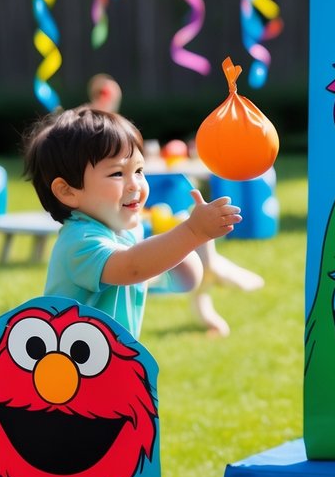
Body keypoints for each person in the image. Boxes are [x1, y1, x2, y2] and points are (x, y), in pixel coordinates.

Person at [23, 107, 241, 339]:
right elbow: (132, 267)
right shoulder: (79, 242)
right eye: (117, 173)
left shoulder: (125, 234)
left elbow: (185, 282)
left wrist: (181, 246)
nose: (135, 184)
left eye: (138, 170)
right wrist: (191, 232)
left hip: (108, 364)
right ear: (67, 191)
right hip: (70, 367)